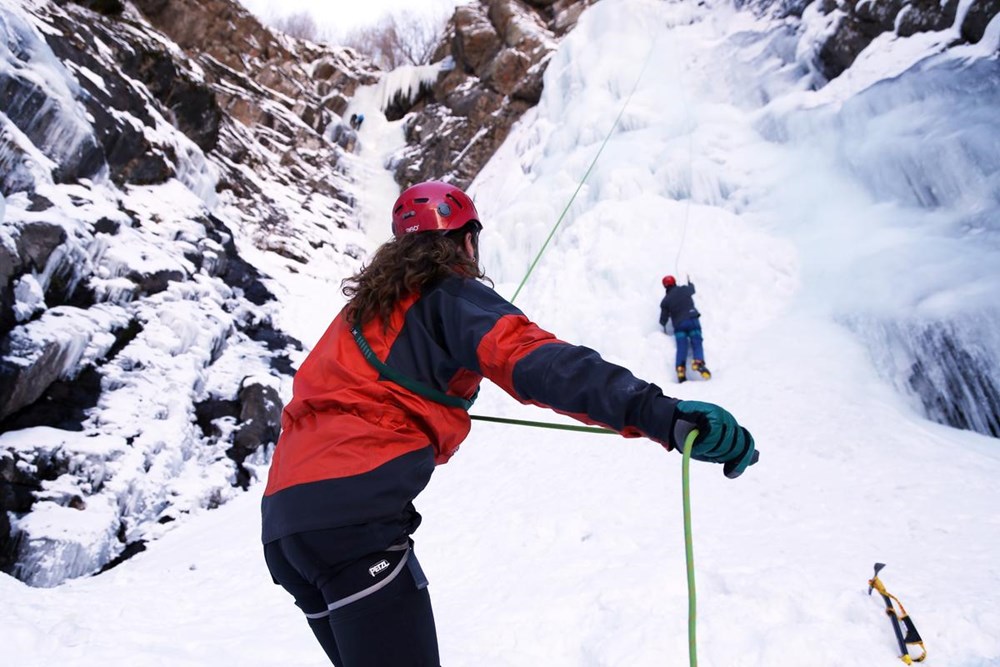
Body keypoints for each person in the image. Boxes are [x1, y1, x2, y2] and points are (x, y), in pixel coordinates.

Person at [261, 181, 757, 666]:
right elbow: (542, 364)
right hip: (353, 523)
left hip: (286, 530)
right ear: (466, 240)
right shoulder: (448, 295)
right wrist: (663, 416)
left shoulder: (358, 314)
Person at [659, 275, 711, 383]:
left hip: (679, 325)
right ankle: (697, 362)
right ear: (674, 282)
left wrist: (663, 326)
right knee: (696, 341)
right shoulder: (684, 289)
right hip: (692, 319)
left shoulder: (665, 301)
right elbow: (692, 289)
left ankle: (680, 368)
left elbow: (663, 320)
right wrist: (690, 283)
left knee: (682, 346)